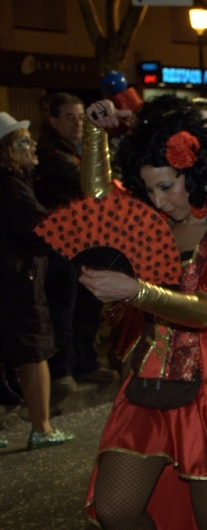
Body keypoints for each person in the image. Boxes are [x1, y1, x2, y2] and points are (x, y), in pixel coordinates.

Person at [79, 96, 207, 528]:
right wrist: (94, 133)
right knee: (115, 509)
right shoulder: (151, 226)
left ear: (195, 172)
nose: (159, 200)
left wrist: (136, 290)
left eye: (167, 185)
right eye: (149, 189)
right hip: (146, 383)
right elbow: (98, 198)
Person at [0, 112, 74, 450]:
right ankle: (41, 427)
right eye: (25, 142)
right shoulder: (11, 184)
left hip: (11, 276)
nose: (33, 148)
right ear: (10, 148)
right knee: (34, 351)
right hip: (18, 279)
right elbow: (39, 229)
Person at [34, 92, 113, 394]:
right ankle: (62, 370)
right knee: (62, 308)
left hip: (88, 241)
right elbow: (86, 180)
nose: (77, 123)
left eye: (81, 117)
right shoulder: (49, 154)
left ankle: (86, 364)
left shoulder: (81, 150)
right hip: (61, 244)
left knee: (88, 305)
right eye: (69, 117)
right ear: (53, 120)